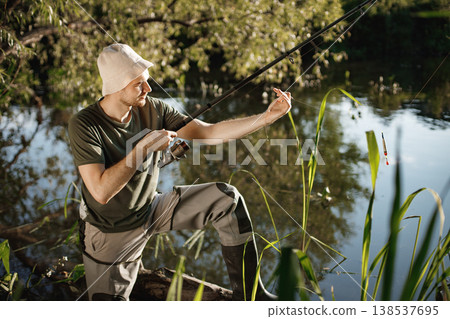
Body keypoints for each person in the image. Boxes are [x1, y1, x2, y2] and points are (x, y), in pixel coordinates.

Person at [68, 43, 291, 301]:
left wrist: (265, 118)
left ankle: (252, 296)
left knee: (227, 199)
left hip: (150, 209)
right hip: (112, 231)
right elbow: (101, 191)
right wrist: (142, 149)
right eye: (138, 83)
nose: (149, 89)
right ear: (117, 86)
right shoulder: (84, 124)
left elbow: (208, 133)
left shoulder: (153, 108)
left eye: (147, 81)